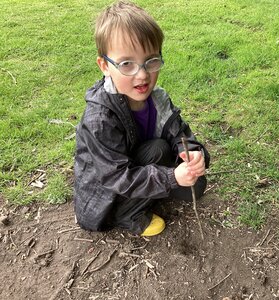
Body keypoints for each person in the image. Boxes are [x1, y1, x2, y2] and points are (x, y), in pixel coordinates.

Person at [74, 1, 210, 237]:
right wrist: (170, 177)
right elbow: (116, 177)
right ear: (105, 66)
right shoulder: (100, 118)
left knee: (195, 186)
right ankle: (126, 215)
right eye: (127, 64)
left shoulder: (158, 99)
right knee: (160, 155)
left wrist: (193, 152)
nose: (143, 74)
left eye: (151, 61)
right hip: (105, 198)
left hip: (142, 160)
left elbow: (179, 132)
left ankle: (149, 192)